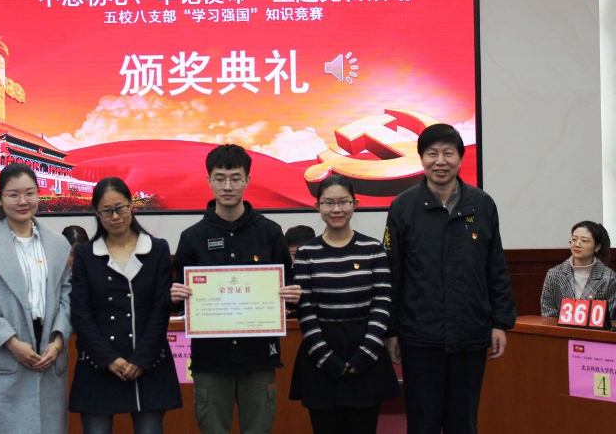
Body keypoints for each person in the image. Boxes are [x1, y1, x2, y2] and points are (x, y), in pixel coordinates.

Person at [383, 123, 516, 434]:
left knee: (464, 422)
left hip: (470, 334)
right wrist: (391, 331)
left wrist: (500, 322)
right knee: (422, 423)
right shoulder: (403, 207)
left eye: (448, 153)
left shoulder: (482, 204)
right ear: (421, 158)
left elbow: (495, 266)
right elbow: (392, 272)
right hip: (419, 337)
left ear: (460, 158)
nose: (440, 161)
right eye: (432, 154)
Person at [169, 144, 302, 434]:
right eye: (219, 178)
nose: (227, 186)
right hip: (210, 360)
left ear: (247, 180)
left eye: (235, 178)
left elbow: (289, 288)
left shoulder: (270, 233)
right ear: (209, 180)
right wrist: (175, 296)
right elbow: (176, 301)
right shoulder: (192, 237)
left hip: (259, 357)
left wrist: (292, 295)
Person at [69, 177, 181, 433]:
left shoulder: (156, 249)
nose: (115, 216)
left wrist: (141, 359)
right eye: (106, 211)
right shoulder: (86, 255)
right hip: (98, 365)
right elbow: (81, 314)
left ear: (131, 206)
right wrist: (109, 359)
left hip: (148, 364)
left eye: (120, 208)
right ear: (97, 214)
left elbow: (160, 310)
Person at [0, 164, 72, 434]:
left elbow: (67, 296)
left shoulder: (58, 244)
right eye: (13, 195)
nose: (23, 201)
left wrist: (58, 342)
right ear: (0, 199)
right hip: (5, 353)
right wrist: (12, 343)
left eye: (29, 193)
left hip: (48, 351)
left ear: (38, 195)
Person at [289, 175, 398, 434]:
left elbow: (382, 303)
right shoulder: (306, 254)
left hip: (366, 354)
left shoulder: (372, 249)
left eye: (343, 202)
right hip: (320, 357)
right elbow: (306, 310)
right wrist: (326, 358)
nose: (336, 209)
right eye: (328, 203)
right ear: (317, 206)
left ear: (355, 204)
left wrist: (366, 354)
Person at [541, 221, 616, 325]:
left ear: (597, 247)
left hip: (596, 333)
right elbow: (548, 313)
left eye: (584, 241)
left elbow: (611, 318)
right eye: (574, 239)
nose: (577, 244)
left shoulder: (609, 277)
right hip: (561, 332)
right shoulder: (554, 274)